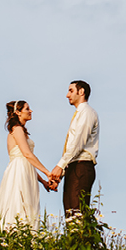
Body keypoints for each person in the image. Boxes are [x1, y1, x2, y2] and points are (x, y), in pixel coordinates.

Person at [0, 100, 57, 230]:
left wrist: (43, 182)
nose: (30, 111)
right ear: (18, 112)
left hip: (25, 170)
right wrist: (47, 172)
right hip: (18, 172)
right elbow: (27, 155)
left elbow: (28, 162)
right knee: (19, 204)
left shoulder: (20, 130)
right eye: (27, 109)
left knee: (28, 206)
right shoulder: (17, 130)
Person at [49, 80, 99, 217]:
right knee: (70, 214)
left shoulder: (87, 113)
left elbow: (78, 144)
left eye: (71, 91)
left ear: (81, 92)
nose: (67, 95)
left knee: (77, 214)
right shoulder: (80, 114)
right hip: (73, 167)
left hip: (81, 167)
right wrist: (62, 173)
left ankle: (82, 239)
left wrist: (60, 166)